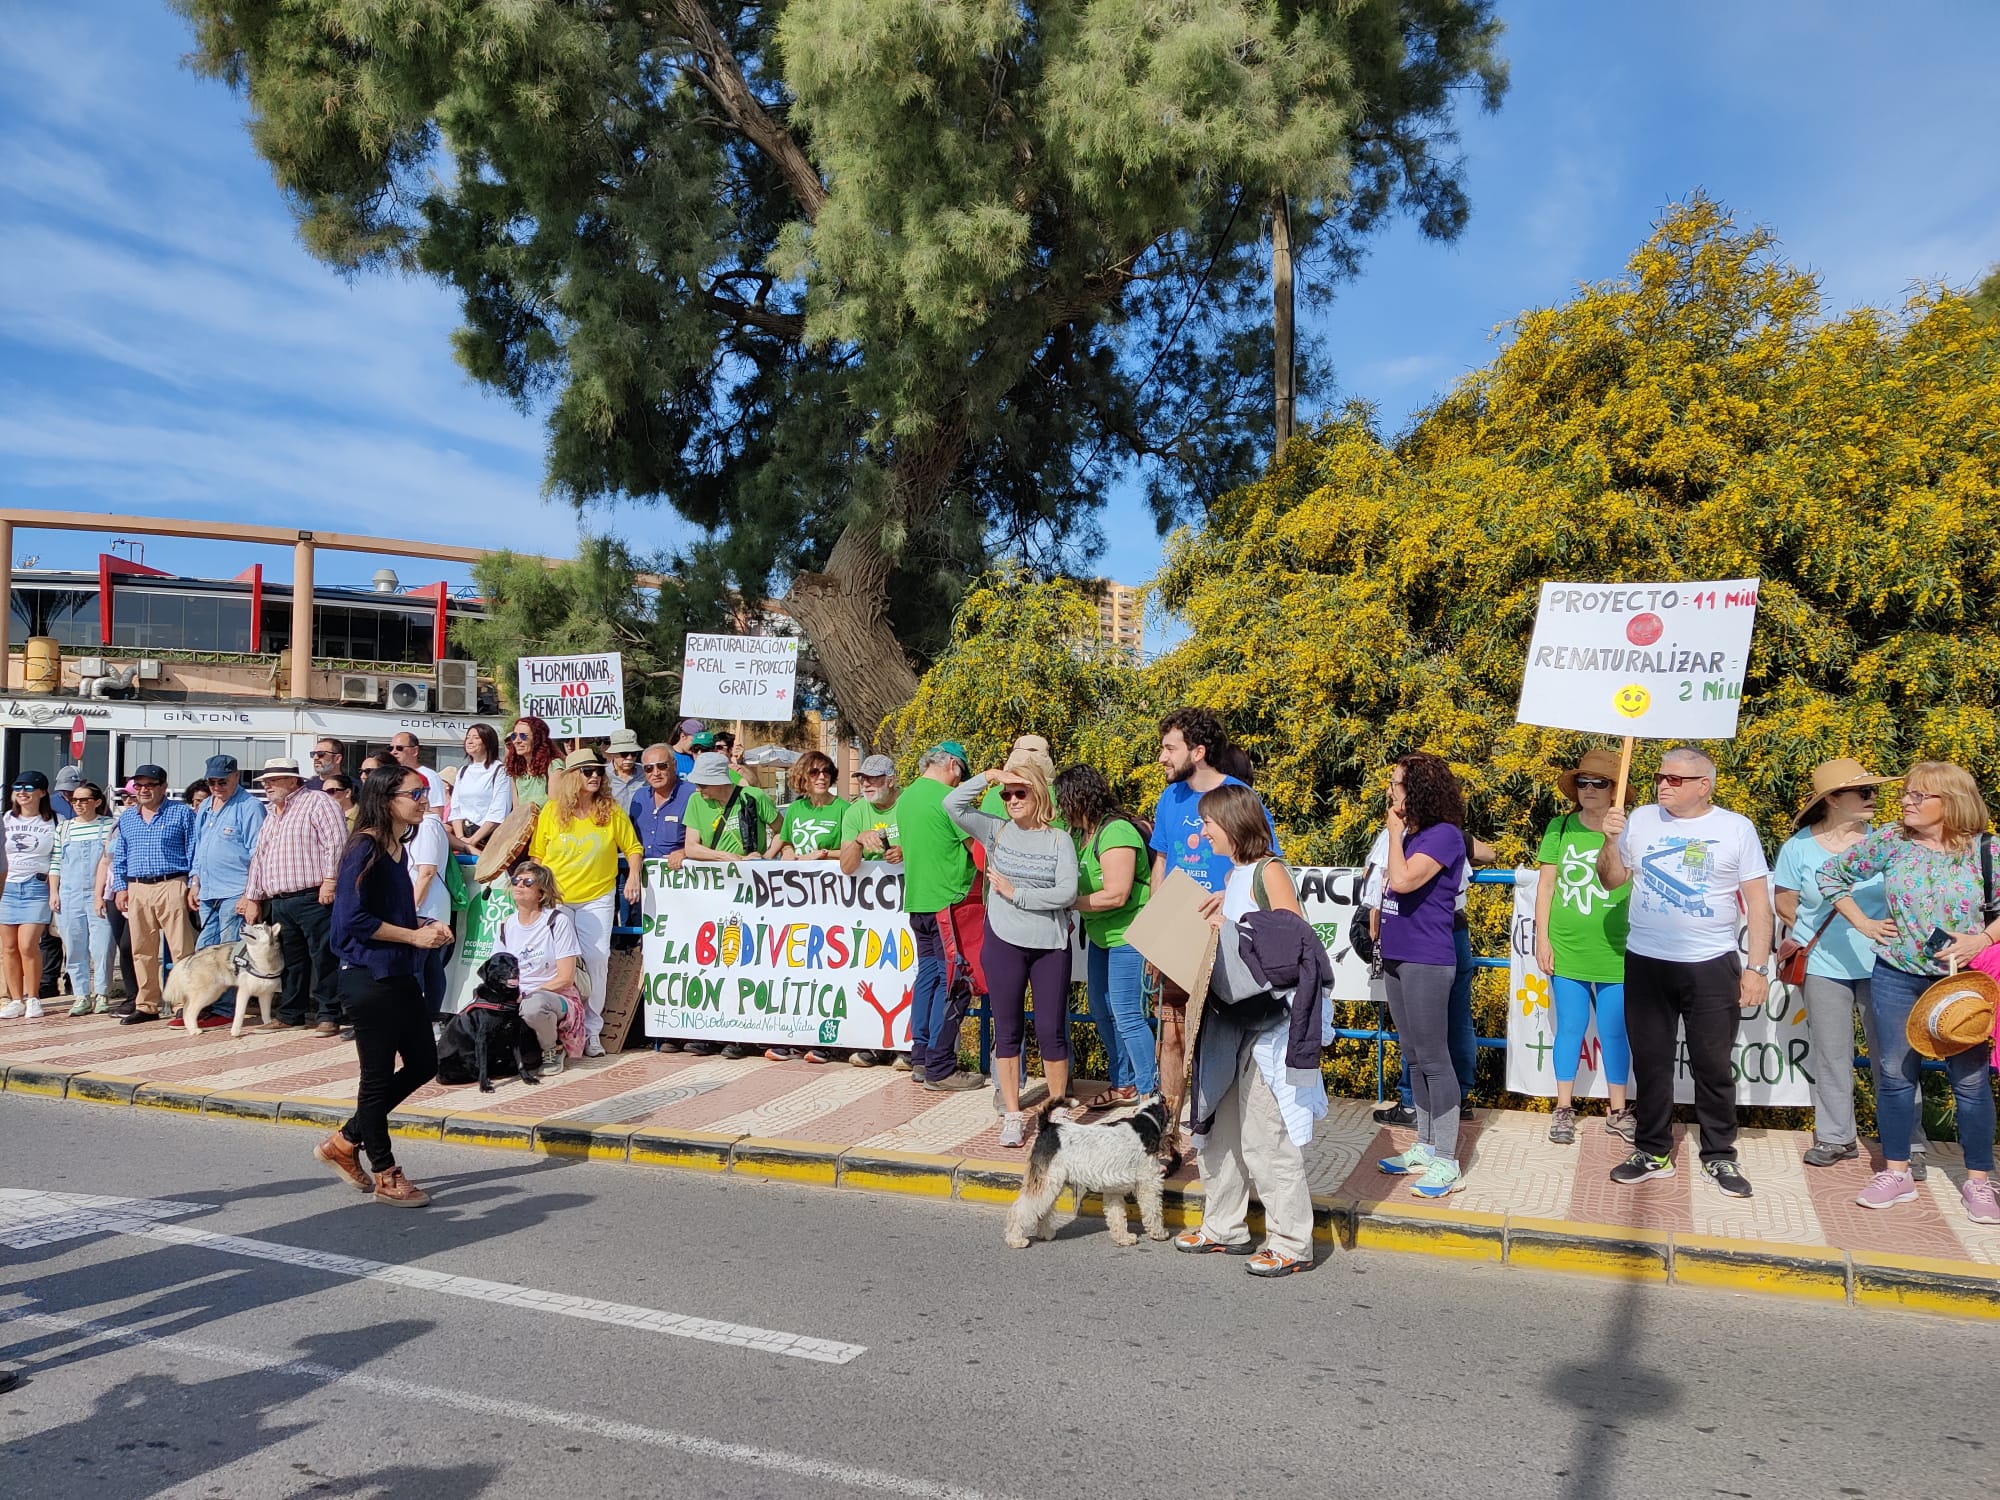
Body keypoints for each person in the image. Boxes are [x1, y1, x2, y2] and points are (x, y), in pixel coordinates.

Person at [1821, 760, 2000, 1223]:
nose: (1906, 801)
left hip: (1961, 983)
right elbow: (1830, 877)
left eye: (1920, 796)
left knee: (1971, 1083)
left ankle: (1979, 1182)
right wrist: (1862, 923)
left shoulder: (1987, 849)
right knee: (1896, 1076)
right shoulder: (1891, 841)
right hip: (1897, 975)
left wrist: (1982, 939)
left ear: (1952, 801)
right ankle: (1895, 1173)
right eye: (1907, 793)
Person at [1598, 746, 1772, 1198]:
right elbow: (1611, 880)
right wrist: (1610, 841)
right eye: (1660, 776)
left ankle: (1718, 1155)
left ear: (1704, 785)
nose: (1663, 785)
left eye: (1675, 779)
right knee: (1651, 1064)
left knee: (1712, 1066)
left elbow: (1758, 903)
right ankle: (1652, 1151)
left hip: (1711, 963)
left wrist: (1756, 967)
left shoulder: (1736, 828)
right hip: (1646, 961)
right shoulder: (1639, 819)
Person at [1174, 782, 1321, 1274]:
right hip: (1229, 1022)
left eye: (1209, 822)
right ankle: (1223, 1226)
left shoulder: (1268, 870)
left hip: (1265, 1026)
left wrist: (1231, 929)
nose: (1204, 831)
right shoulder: (1236, 876)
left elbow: (1293, 936)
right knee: (1220, 1131)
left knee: (1266, 1137)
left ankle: (1292, 1241)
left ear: (1232, 824)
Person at [316, 764, 454, 1207]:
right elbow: (350, 921)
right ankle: (384, 1171)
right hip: (366, 976)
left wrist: (424, 924)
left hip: (398, 972)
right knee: (375, 1079)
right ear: (386, 798)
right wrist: (414, 936)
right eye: (414, 794)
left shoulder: (396, 847)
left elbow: (390, 914)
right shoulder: (363, 847)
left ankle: (346, 1139)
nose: (423, 802)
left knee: (422, 1063)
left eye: (424, 793)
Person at [1147, 708, 1279, 1133]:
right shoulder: (1169, 798)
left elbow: (1267, 860)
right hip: (1176, 933)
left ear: (1198, 752)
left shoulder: (1239, 796)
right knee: (1170, 1036)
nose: (1162, 757)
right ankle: (1166, 1135)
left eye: (1170, 748)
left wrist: (1232, 897)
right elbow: (1162, 861)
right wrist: (1154, 928)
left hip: (1225, 938)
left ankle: (1216, 1129)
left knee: (1220, 1040)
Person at [1774, 758, 1899, 1170]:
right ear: (1832, 799)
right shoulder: (1799, 847)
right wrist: (1818, 934)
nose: (1872, 798)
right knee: (1831, 1055)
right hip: (1825, 966)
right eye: (1863, 792)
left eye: (1873, 791)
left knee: (1895, 1058)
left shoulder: (1887, 842)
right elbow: (1784, 903)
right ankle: (1835, 1137)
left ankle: (1905, 1143)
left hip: (1886, 964)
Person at [946, 761, 1079, 1148]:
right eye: (1007, 795)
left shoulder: (1060, 840)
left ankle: (1057, 1110)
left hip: (1050, 943)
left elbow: (1067, 893)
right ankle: (1012, 1112)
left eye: (1020, 792)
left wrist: (1016, 893)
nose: (1012, 800)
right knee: (1007, 1031)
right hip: (1003, 940)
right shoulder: (995, 830)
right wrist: (988, 777)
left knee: (1052, 1030)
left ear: (1038, 793)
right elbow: (953, 805)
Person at [1373, 752, 1473, 1198]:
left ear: (1418, 790)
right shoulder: (1411, 834)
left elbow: (1405, 880)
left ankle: (1446, 1159)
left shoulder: (1444, 836)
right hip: (1397, 954)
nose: (1390, 790)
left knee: (1435, 1057)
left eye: (1396, 783)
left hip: (1428, 960)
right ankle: (1426, 1144)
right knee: (1412, 1054)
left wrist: (1394, 833)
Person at [1533, 748, 1635, 1146]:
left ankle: (1618, 1109)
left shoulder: (1632, 828)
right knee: (1570, 1028)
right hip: (1568, 946)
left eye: (1600, 783)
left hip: (1618, 947)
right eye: (1583, 782)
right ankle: (1563, 1107)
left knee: (1614, 1031)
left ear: (1616, 789)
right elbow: (1545, 887)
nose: (1589, 789)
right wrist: (1543, 938)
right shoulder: (1560, 827)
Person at [1055, 764, 1156, 1109]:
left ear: (1080, 797)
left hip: (1129, 933)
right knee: (1101, 1008)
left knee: (1127, 1013)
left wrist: (1068, 902)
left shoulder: (1116, 833)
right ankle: (1123, 1083)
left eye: (1064, 800)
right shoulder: (1079, 835)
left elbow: (1117, 893)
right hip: (1101, 936)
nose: (1061, 807)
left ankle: (1148, 1091)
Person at [529, 748, 641, 1057]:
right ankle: (563, 1029)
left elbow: (632, 847)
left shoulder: (611, 809)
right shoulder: (552, 811)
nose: (595, 776)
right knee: (556, 962)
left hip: (597, 896)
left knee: (597, 958)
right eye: (587, 771)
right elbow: (537, 855)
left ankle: (592, 1031)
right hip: (556, 897)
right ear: (571, 778)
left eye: (598, 771)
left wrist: (633, 876)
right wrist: (535, 893)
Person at [896, 743, 985, 1086]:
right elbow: (976, 852)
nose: (959, 780)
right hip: (950, 906)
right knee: (955, 984)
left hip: (918, 901)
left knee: (928, 979)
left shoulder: (907, 798)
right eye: (961, 771)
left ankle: (921, 1057)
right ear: (951, 764)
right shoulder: (948, 802)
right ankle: (940, 1067)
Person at [241, 758, 347, 1035]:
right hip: (281, 899)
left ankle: (329, 1014)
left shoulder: (318, 802)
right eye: (265, 781)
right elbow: (259, 858)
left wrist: (330, 880)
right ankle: (290, 1013)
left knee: (324, 957)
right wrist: (253, 897)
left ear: (292, 780)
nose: (267, 786)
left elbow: (335, 842)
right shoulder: (272, 813)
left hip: (313, 895)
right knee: (290, 960)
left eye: (273, 780)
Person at [682, 750, 768, 1059]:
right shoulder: (696, 803)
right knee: (714, 962)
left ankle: (743, 1034)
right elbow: (691, 846)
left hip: (752, 892)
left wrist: (766, 859)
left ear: (719, 781)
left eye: (703, 783)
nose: (698, 789)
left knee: (748, 959)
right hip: (714, 892)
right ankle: (712, 1031)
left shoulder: (754, 796)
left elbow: (782, 832)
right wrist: (728, 858)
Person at [105, 764, 198, 1026]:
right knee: (141, 950)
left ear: (163, 787)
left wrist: (193, 883)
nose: (144, 790)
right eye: (139, 785)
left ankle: (183, 1003)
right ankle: (147, 1004)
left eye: (150, 785)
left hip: (172, 882)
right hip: (137, 887)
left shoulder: (181, 813)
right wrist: (121, 887)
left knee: (181, 948)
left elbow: (194, 849)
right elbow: (120, 854)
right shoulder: (127, 817)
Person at [831, 753, 908, 1068]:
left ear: (890, 780)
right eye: (863, 778)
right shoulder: (855, 812)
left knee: (910, 975)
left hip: (910, 905)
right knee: (873, 975)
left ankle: (909, 1047)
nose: (866, 784)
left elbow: (932, 847)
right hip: (872, 913)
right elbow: (847, 868)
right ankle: (875, 1045)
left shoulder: (909, 804)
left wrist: (908, 851)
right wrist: (858, 843)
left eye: (874, 778)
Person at [492, 859, 587, 1075]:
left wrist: (528, 993)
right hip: (517, 994)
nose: (519, 885)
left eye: (528, 882)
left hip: (555, 995)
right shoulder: (506, 924)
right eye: (516, 880)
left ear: (541, 891)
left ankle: (552, 1049)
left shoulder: (556, 921)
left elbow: (565, 978)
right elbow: (497, 970)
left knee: (533, 1006)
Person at [49, 780, 115, 1016]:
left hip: (99, 894)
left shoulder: (110, 825)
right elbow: (55, 862)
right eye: (74, 800)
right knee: (75, 946)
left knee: (103, 946)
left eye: (83, 799)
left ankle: (103, 993)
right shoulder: (64, 828)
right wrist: (53, 893)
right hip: (69, 893)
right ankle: (81, 994)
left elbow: (112, 862)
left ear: (97, 802)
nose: (78, 804)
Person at [189, 754, 266, 953]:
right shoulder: (205, 806)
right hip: (208, 892)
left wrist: (250, 895)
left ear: (236, 776)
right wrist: (195, 882)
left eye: (222, 781)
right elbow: (199, 846)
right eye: (211, 782)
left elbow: (258, 854)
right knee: (204, 952)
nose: (216, 787)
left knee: (228, 954)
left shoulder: (250, 807)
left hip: (235, 893)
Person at [0, 771, 58, 1020]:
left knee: (27, 944)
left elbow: (57, 857)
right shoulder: (6, 819)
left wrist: (55, 889)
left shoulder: (55, 820)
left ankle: (33, 997)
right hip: (7, 887)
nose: (22, 792)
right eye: (18, 787)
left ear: (42, 792)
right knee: (9, 947)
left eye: (29, 788)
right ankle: (16, 999)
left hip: (36, 886)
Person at [408, 792, 454, 1017]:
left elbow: (426, 872)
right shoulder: (422, 825)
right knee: (428, 967)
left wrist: (411, 909)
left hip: (425, 907)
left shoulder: (426, 825)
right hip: (425, 906)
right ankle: (428, 1020)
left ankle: (425, 1020)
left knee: (423, 968)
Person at [447, 724, 511, 853]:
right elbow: (456, 808)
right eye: (468, 737)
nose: (470, 741)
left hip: (488, 838)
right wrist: (460, 838)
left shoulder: (499, 771)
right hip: (464, 835)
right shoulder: (463, 771)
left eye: (476, 737)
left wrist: (473, 840)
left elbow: (498, 812)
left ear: (487, 742)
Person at [771, 751, 847, 860]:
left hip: (829, 875)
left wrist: (823, 853)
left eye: (826, 771)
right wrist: (788, 851)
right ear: (802, 777)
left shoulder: (844, 809)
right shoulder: (794, 808)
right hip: (798, 874)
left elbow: (853, 851)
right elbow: (786, 842)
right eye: (814, 772)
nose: (821, 776)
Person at [505, 716, 559, 809]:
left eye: (523, 736)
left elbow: (555, 808)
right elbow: (516, 810)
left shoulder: (554, 766)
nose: (517, 741)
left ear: (537, 739)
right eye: (514, 736)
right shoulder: (516, 768)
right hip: (524, 822)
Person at [389, 732, 447, 815]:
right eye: (390, 748)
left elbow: (436, 811)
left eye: (399, 748)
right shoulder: (389, 775)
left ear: (415, 751)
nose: (393, 752)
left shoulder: (430, 776)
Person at [605, 729, 643, 805]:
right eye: (624, 754)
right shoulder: (603, 775)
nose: (629, 758)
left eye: (634, 753)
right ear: (613, 754)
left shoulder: (646, 772)